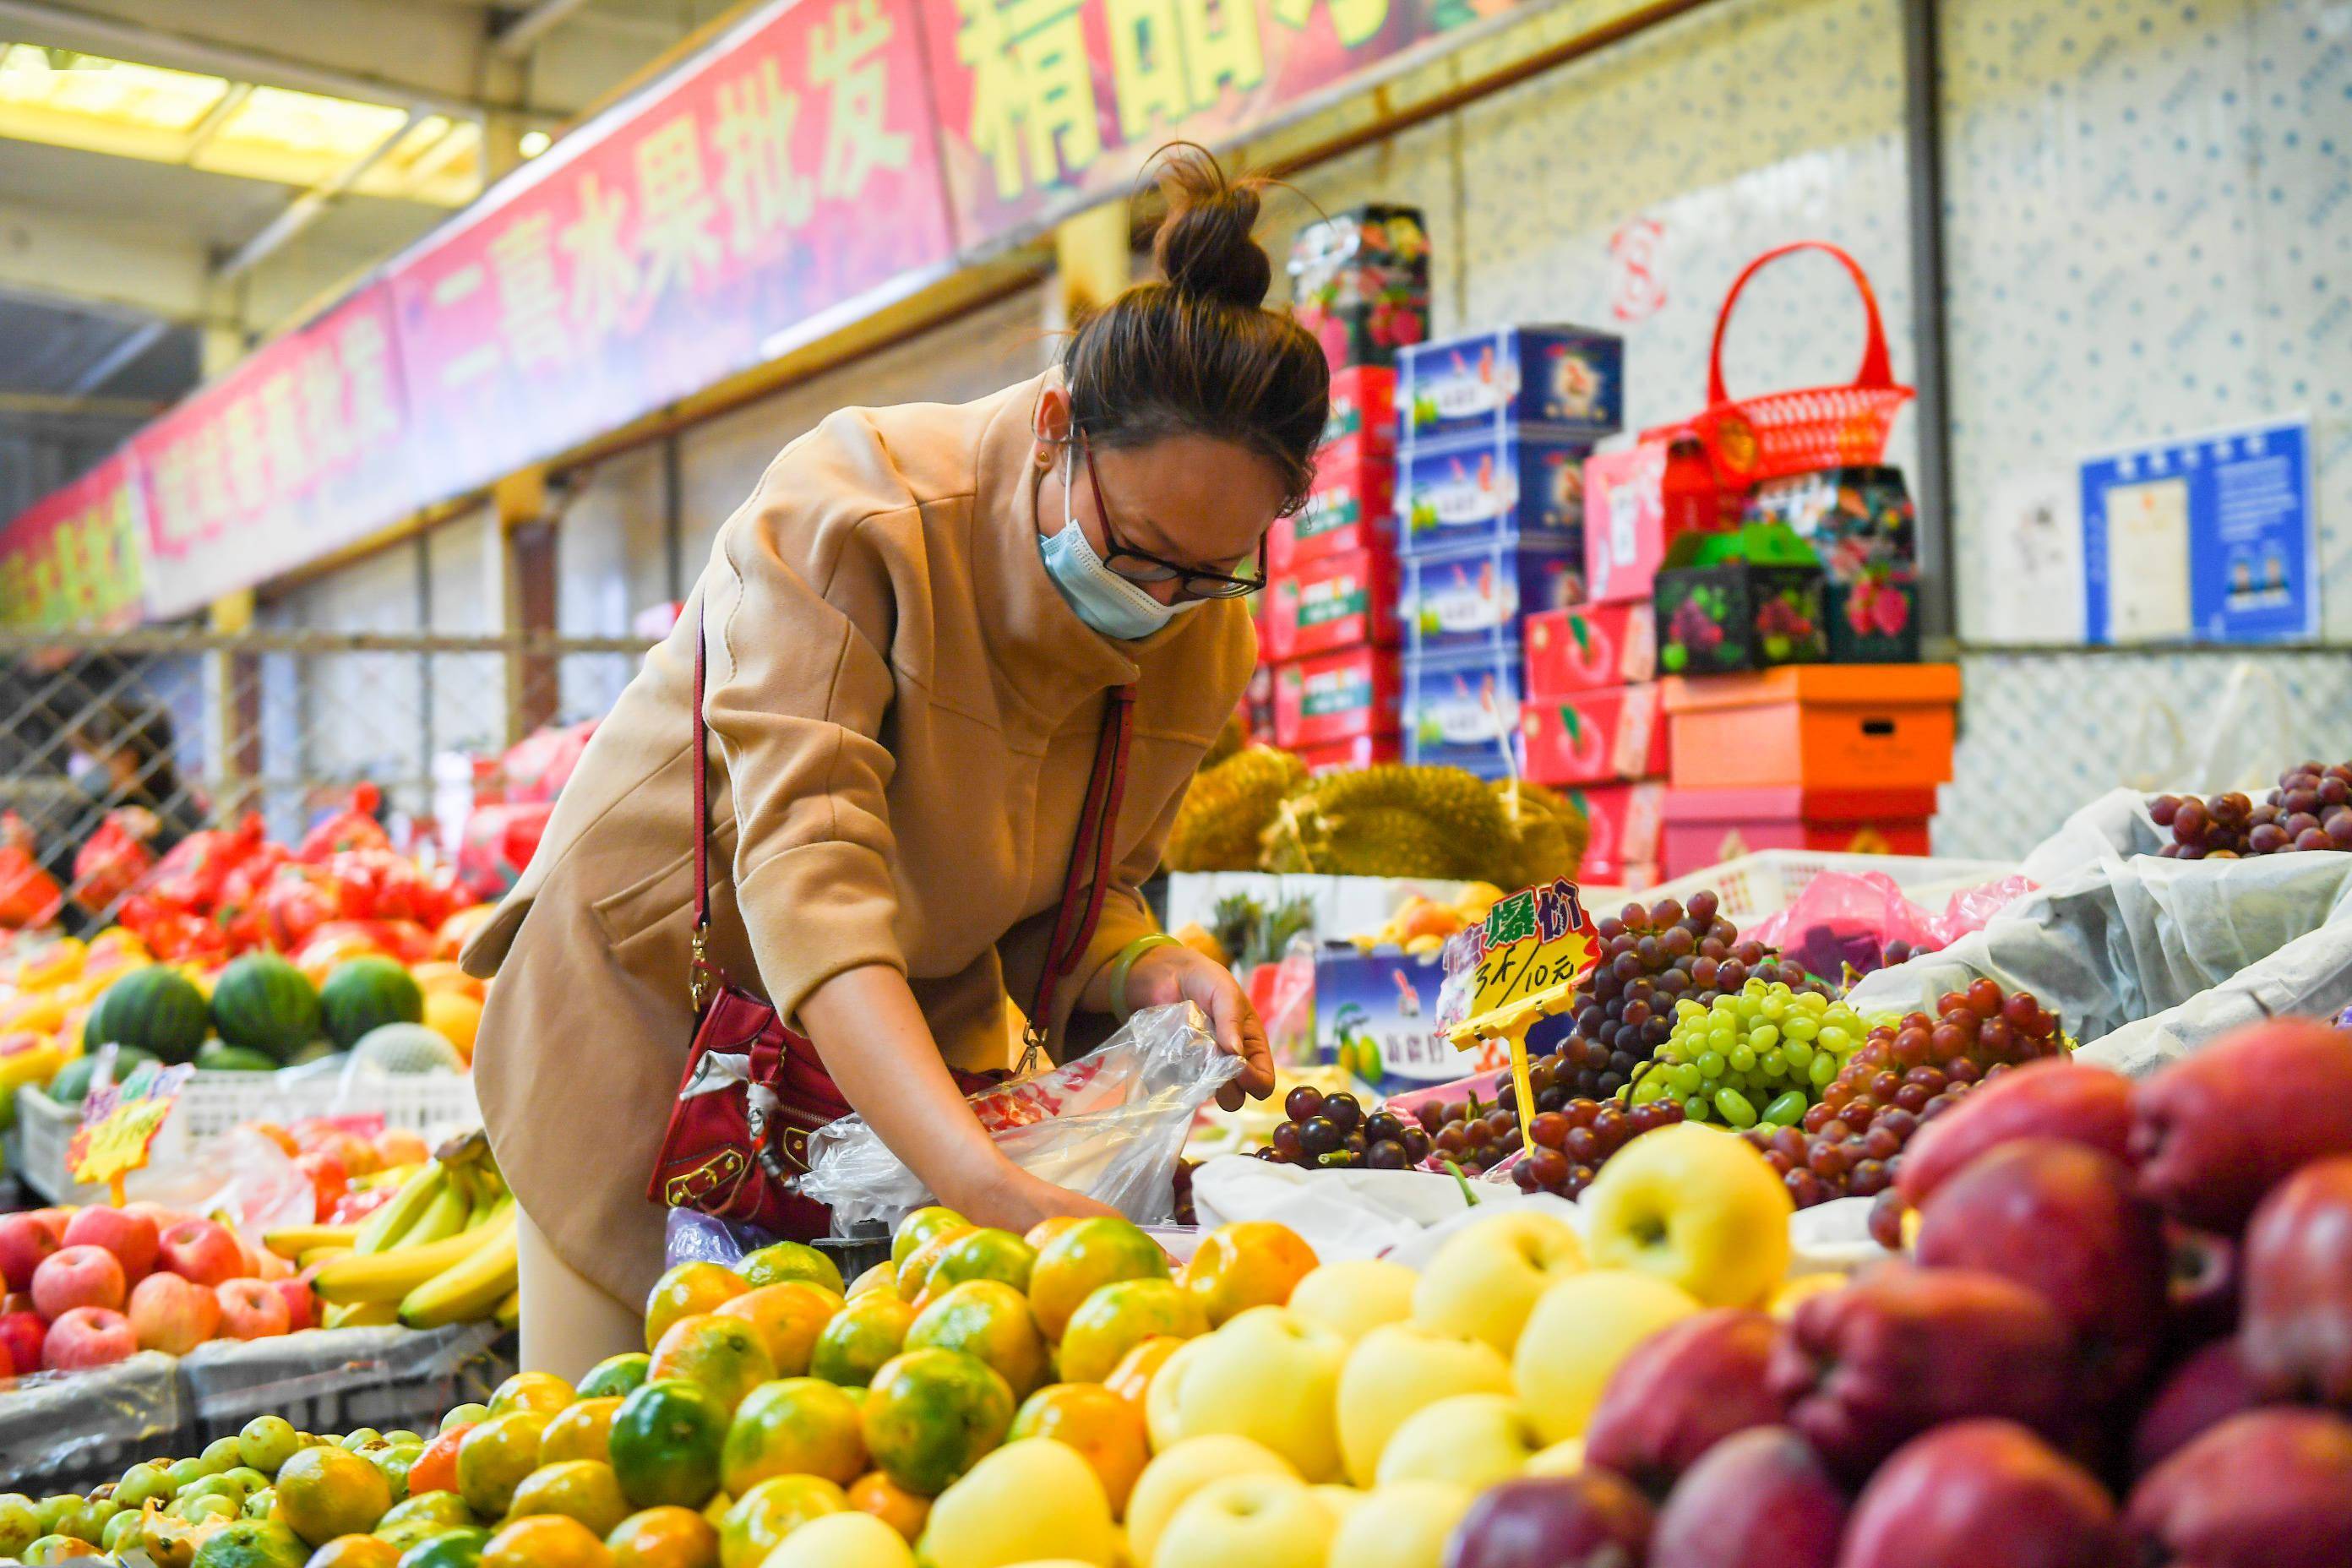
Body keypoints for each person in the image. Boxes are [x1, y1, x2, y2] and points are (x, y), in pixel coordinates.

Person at [462, 148, 1326, 1376]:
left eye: (1214, 569)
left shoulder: (1199, 623)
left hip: (902, 1057)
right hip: (672, 1022)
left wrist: (1147, 967)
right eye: (1135, 549)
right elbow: (809, 868)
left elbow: (1085, 883)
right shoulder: (853, 511)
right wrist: (973, 1178)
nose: (1164, 599)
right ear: (1052, 430)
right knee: (636, 1425)